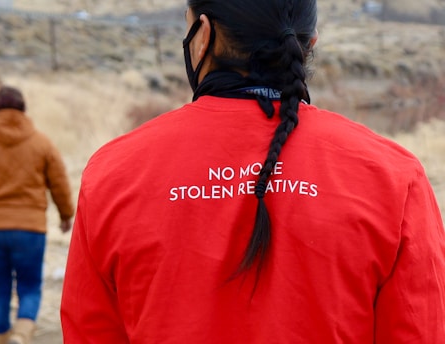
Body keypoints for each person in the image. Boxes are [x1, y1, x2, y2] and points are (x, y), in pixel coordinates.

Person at [61, 0, 445, 343]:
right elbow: (419, 329)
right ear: (309, 45)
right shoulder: (392, 177)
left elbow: (88, 331)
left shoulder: (114, 173)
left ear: (202, 35)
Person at [0, 85, 75, 344]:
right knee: (29, 286)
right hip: (30, 230)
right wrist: (65, 215)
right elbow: (59, 183)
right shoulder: (42, 142)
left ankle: (1, 339)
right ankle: (22, 337)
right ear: (24, 110)